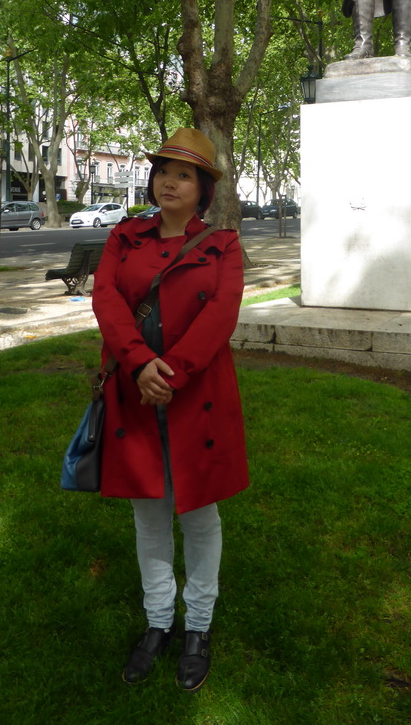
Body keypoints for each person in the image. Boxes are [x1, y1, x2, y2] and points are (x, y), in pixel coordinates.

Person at [91, 127, 248, 692]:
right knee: (148, 516)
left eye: (183, 174)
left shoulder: (223, 246)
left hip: (195, 399)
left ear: (202, 188)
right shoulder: (123, 237)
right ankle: (158, 621)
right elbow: (106, 299)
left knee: (199, 515)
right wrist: (138, 364)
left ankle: (198, 628)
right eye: (162, 171)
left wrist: (172, 373)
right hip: (136, 394)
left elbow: (221, 315)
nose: (169, 182)